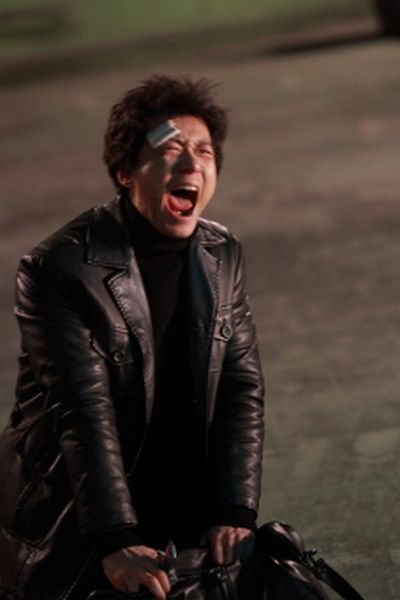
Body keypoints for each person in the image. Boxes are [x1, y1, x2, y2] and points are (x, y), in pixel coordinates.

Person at [0, 75, 265, 600]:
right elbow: (83, 409)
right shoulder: (59, 268)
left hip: (178, 496)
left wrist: (235, 510)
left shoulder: (221, 253)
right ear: (125, 172)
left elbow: (241, 386)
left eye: (204, 151)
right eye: (169, 149)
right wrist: (115, 537)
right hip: (75, 514)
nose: (192, 164)